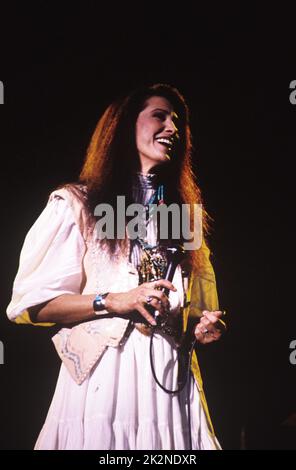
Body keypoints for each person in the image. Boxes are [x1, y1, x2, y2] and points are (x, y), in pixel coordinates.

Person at [7, 83, 225, 450]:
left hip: (170, 385)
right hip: (105, 379)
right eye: (160, 115)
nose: (173, 128)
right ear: (125, 125)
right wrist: (111, 301)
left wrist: (203, 327)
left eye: (177, 121)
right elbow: (32, 305)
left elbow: (199, 311)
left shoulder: (181, 219)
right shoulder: (79, 203)